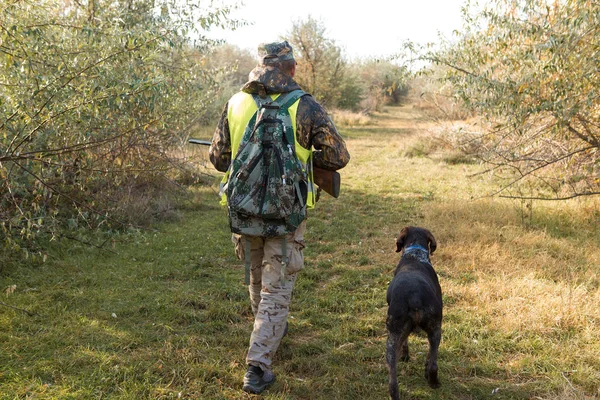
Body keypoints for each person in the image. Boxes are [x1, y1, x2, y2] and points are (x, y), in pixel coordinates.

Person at [209, 40, 350, 395]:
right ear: (291, 67)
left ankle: (267, 333)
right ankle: (257, 367)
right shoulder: (304, 106)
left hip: (242, 213)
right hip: (286, 217)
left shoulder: (236, 102)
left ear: (261, 65)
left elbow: (219, 160)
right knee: (277, 289)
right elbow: (338, 156)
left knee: (257, 279)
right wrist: (302, 164)